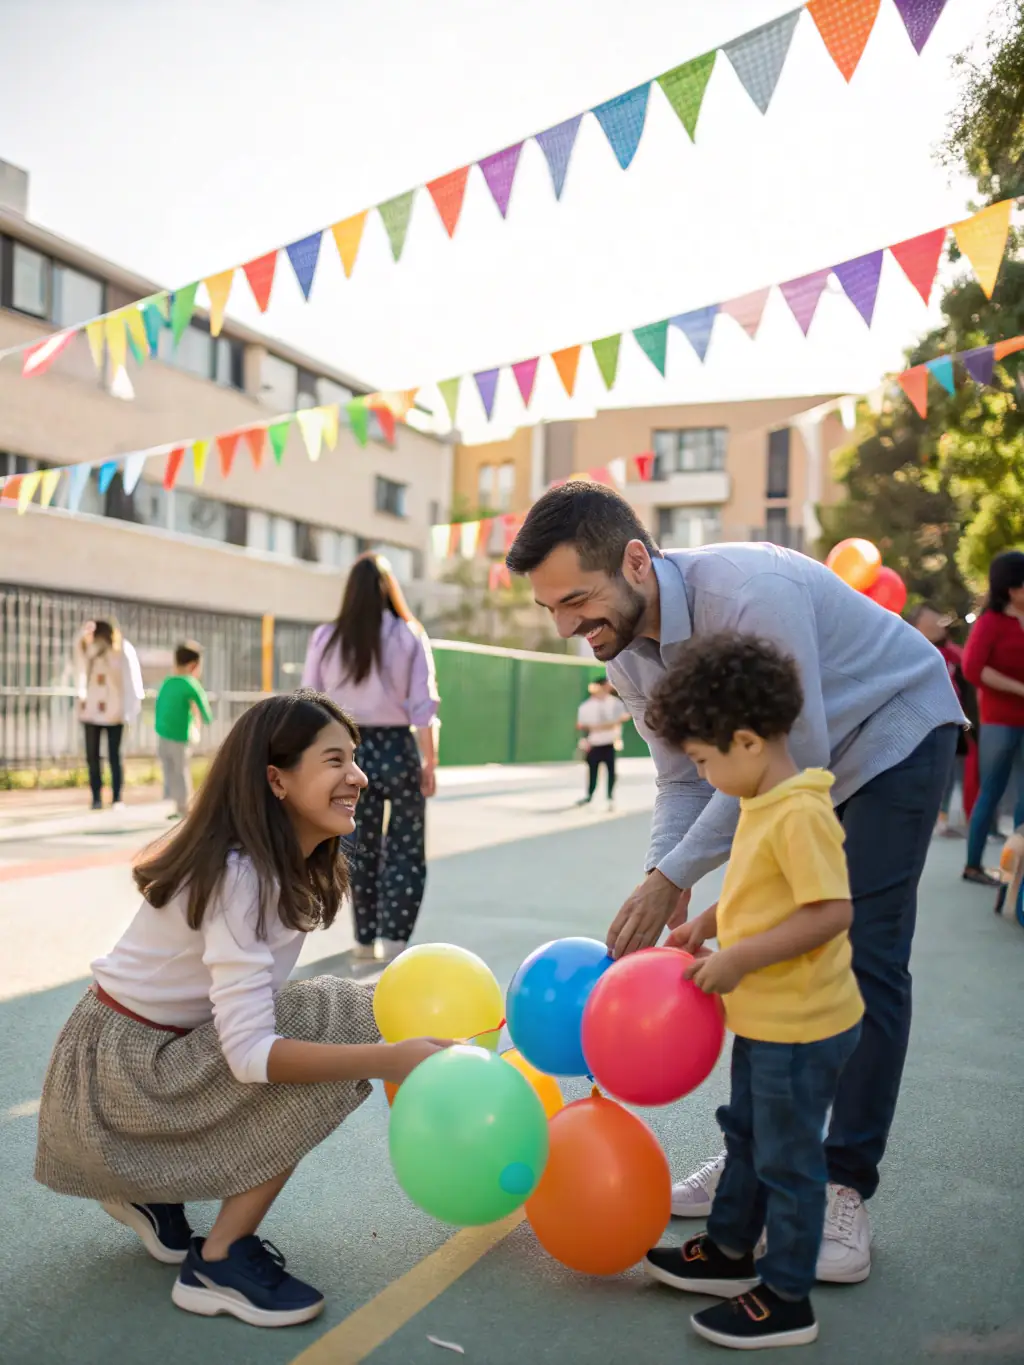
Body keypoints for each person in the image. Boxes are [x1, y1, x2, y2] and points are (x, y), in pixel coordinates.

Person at [506, 482, 963, 1283]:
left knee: (864, 953)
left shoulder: (751, 593)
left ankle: (843, 1181)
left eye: (576, 600)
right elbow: (682, 777)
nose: (567, 626)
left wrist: (677, 873)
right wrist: (664, 875)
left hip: (891, 732)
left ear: (636, 561)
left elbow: (793, 755)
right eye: (551, 608)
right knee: (759, 947)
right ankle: (755, 1159)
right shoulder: (621, 648)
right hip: (808, 759)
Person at [34, 691, 450, 1329]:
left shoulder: (279, 864)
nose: (359, 777)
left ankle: (146, 1187)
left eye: (355, 758)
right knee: (324, 1020)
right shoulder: (242, 875)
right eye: (335, 760)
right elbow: (251, 1055)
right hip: (120, 1077)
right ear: (277, 780)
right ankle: (218, 1262)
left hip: (136, 1058)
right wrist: (390, 1059)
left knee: (317, 1012)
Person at [643, 633, 863, 1350]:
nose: (704, 775)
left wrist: (738, 959)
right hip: (768, 1020)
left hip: (802, 1026)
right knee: (745, 1132)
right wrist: (706, 923)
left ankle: (787, 1297)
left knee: (788, 1159)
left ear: (746, 741)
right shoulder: (763, 801)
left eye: (704, 761)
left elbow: (829, 912)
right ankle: (731, 1251)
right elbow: (761, 892)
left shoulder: (800, 812)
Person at [301, 554, 440, 962]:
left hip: (346, 749)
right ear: (388, 589)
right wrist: (430, 761)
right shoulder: (409, 635)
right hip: (398, 749)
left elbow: (310, 700)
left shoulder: (327, 637)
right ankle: (396, 942)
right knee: (406, 846)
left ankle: (364, 940)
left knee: (356, 845)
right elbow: (424, 706)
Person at [961, 551, 1024, 886]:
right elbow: (972, 668)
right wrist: (1019, 689)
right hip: (999, 721)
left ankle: (1017, 872)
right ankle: (973, 865)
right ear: (1012, 589)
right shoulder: (991, 622)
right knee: (991, 791)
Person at [907, 604, 979, 835]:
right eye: (931, 622)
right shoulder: (909, 649)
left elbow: (967, 681)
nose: (937, 626)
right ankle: (921, 816)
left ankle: (941, 817)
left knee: (946, 773)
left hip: (950, 720)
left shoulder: (953, 653)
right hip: (919, 718)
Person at [74, 618, 145, 811]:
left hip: (115, 712)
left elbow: (132, 681)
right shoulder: (87, 649)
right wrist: (84, 635)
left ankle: (116, 798)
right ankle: (96, 798)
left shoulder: (122, 650)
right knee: (93, 757)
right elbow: (78, 661)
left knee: (115, 756)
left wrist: (129, 711)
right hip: (91, 711)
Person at [155, 640, 212, 819]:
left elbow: (159, 706)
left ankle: (179, 805)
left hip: (163, 734)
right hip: (181, 735)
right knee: (181, 771)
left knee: (171, 771)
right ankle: (184, 807)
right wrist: (207, 719)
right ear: (194, 665)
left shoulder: (167, 682)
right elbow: (204, 707)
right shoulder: (191, 683)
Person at [576, 675, 629, 810]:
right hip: (594, 743)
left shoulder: (615, 703)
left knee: (611, 772)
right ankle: (589, 796)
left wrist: (612, 725)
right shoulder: (586, 706)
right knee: (593, 771)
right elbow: (582, 725)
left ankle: (610, 798)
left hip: (610, 743)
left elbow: (624, 716)